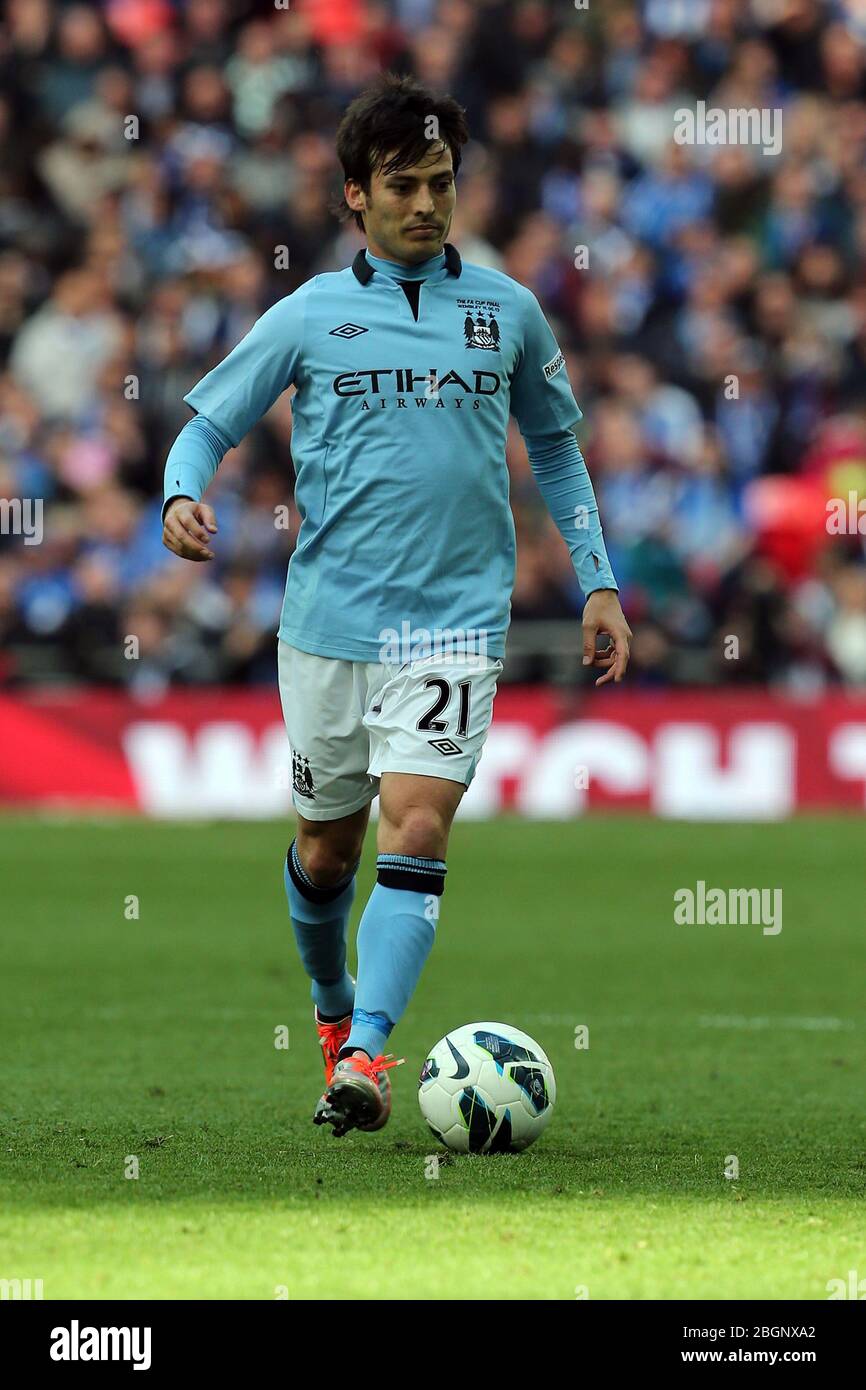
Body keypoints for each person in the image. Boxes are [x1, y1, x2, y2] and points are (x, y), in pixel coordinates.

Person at [161, 72, 631, 1137]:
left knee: (415, 822)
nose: (425, 202)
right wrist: (179, 493)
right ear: (354, 200)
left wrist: (597, 575)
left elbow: (554, 443)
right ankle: (334, 1016)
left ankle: (367, 1050)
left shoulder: (506, 312)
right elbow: (204, 426)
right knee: (326, 850)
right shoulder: (310, 314)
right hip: (328, 625)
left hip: (455, 623)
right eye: (402, 185)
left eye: (440, 182)